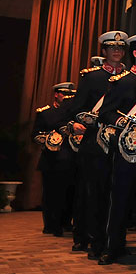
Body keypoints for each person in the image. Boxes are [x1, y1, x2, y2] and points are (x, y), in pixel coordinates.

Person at [97, 32, 136, 265]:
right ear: (135, 53)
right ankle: (112, 247)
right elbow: (106, 113)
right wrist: (125, 123)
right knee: (120, 200)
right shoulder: (123, 82)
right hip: (126, 151)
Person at [67, 30, 128, 258]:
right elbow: (76, 109)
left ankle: (114, 241)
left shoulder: (129, 77)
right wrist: (95, 120)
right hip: (95, 144)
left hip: (120, 145)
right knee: (93, 195)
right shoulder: (92, 78)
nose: (116, 51)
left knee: (117, 195)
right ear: (103, 51)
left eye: (120, 48)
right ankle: (92, 240)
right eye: (112, 47)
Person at [32, 82, 76, 237]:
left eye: (70, 95)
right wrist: (50, 139)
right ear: (56, 94)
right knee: (52, 194)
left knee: (70, 193)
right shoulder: (45, 113)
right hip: (52, 159)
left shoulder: (73, 113)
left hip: (71, 158)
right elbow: (36, 135)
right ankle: (51, 224)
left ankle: (65, 222)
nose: (67, 97)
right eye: (64, 94)